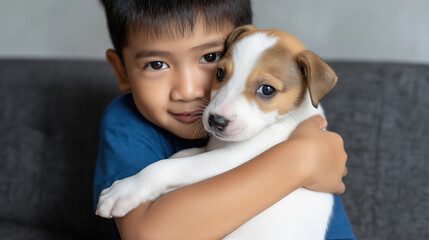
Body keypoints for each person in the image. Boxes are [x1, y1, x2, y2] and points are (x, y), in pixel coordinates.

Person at [94, 0, 356, 239]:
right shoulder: (128, 126)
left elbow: (227, 162)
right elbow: (147, 233)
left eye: (210, 58)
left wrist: (156, 177)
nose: (187, 91)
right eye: (157, 64)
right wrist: (301, 160)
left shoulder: (306, 130)